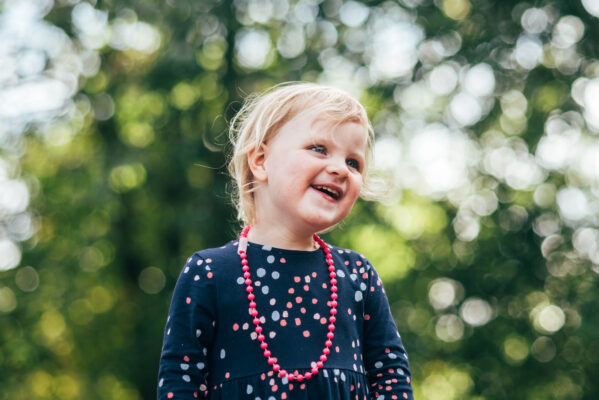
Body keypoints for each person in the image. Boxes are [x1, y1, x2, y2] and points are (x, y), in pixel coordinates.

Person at [157, 82, 414, 400]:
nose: (339, 169)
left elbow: (392, 380)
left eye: (353, 162)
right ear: (261, 161)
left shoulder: (358, 276)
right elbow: (180, 383)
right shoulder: (210, 272)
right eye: (319, 149)